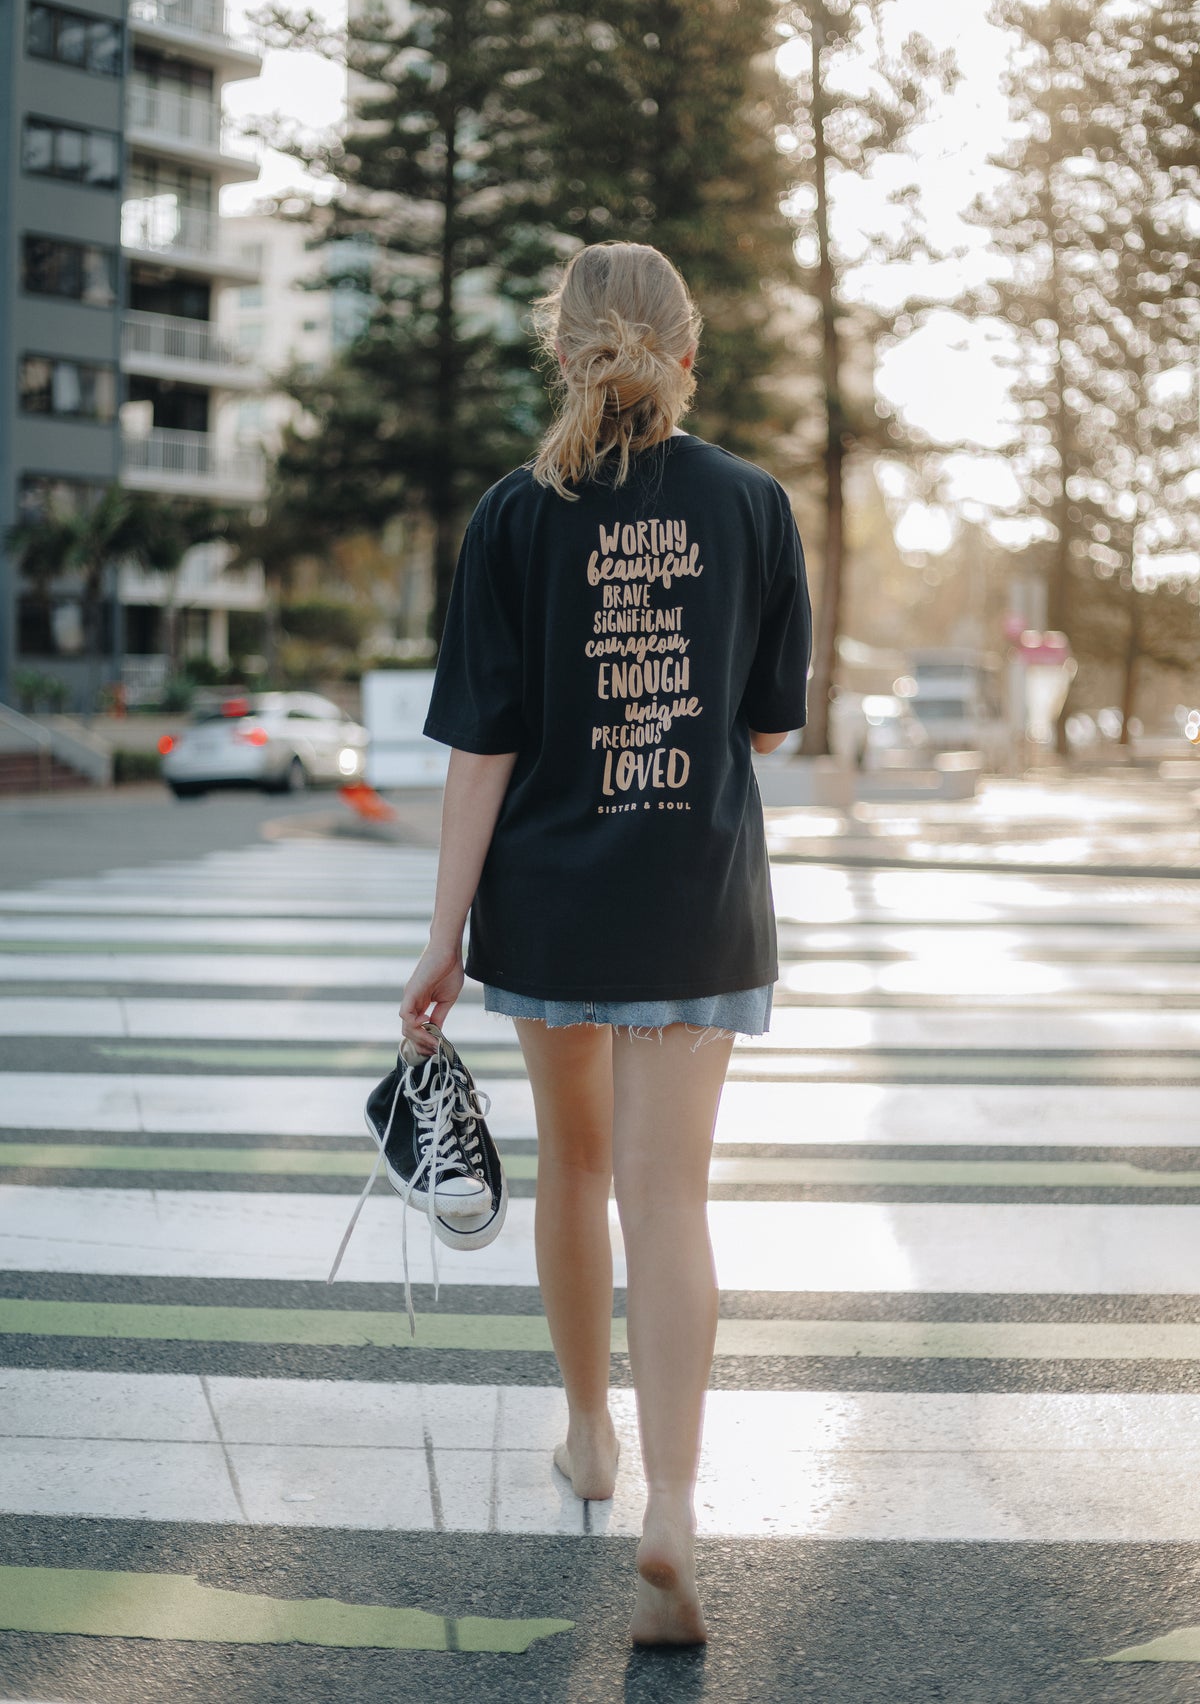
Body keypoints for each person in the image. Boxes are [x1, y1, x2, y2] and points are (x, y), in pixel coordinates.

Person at [400, 240, 811, 1647]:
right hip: (693, 899)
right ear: (687, 354)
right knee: (671, 1198)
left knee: (574, 1169)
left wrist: (440, 939)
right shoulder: (756, 507)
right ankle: (677, 1510)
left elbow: (483, 751)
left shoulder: (518, 516)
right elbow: (762, 723)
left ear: (559, 350)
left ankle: (589, 1437)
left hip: (554, 902)